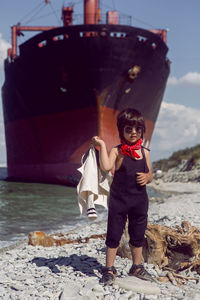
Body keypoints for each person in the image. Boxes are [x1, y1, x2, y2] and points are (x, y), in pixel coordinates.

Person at [92, 108, 153, 285]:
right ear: (121, 131)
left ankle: (137, 266)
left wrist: (147, 177)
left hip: (139, 201)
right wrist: (102, 145)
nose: (133, 132)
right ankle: (109, 268)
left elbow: (150, 173)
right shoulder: (117, 151)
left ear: (142, 130)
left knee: (138, 234)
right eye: (128, 129)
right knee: (114, 234)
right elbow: (105, 166)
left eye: (137, 129)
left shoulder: (145, 152)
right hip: (119, 200)